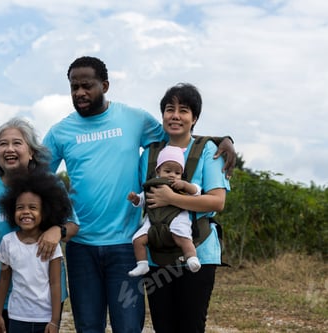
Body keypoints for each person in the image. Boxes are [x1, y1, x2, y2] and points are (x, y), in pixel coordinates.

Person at [42, 56, 235, 332]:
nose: (80, 93)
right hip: (81, 246)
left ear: (105, 85)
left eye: (87, 86)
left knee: (129, 327)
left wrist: (222, 140)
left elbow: (178, 136)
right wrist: (57, 224)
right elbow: (39, 176)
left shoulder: (134, 119)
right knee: (87, 326)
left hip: (127, 244)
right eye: (74, 87)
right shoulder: (60, 131)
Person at [0, 117, 79, 333]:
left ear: (31, 153)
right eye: (3, 144)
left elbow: (73, 225)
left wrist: (58, 230)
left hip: (42, 298)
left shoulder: (51, 184)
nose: (9, 149)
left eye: (17, 143)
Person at [143, 83, 230, 332]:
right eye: (170, 109)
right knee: (163, 325)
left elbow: (217, 201)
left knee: (191, 325)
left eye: (184, 110)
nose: (176, 116)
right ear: (162, 116)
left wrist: (171, 198)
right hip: (157, 255)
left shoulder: (209, 151)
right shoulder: (149, 154)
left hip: (199, 252)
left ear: (195, 118)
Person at [0, 171, 73, 333]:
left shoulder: (52, 244)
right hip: (16, 317)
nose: (26, 212)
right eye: (20, 207)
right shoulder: (8, 242)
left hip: (44, 319)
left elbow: (56, 283)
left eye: (33, 207)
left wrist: (55, 321)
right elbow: (4, 278)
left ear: (45, 212)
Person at [127, 145, 202, 277]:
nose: (172, 175)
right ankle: (142, 264)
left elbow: (197, 192)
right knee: (137, 240)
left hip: (177, 219)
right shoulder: (152, 186)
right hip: (153, 222)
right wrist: (135, 199)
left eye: (177, 173)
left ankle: (192, 258)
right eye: (168, 171)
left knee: (183, 237)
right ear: (158, 171)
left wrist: (185, 185)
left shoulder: (182, 186)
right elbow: (143, 200)